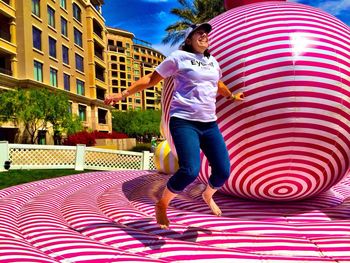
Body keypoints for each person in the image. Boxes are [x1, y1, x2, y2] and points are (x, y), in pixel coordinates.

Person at [105, 23, 244, 229]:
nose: (204, 35)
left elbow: (218, 84)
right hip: (184, 121)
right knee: (189, 170)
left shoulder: (212, 62)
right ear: (189, 39)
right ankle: (162, 204)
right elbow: (150, 79)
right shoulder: (179, 58)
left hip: (209, 124)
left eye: (206, 33)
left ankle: (208, 195)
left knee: (223, 171)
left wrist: (231, 96)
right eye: (199, 33)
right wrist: (122, 94)